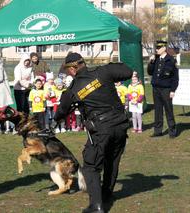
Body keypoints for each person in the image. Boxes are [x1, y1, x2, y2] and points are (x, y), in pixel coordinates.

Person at [54, 53, 133, 213]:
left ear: (73, 68)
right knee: (112, 161)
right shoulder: (103, 72)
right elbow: (127, 71)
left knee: (90, 166)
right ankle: (106, 194)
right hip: (120, 124)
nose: (68, 73)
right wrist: (112, 66)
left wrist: (57, 117)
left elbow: (61, 111)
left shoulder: (74, 89)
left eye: (68, 70)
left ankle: (96, 206)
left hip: (101, 129)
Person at [147, 40, 179, 138]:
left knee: (168, 110)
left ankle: (172, 131)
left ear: (164, 48)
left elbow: (175, 78)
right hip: (156, 88)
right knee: (158, 110)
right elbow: (150, 72)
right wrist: (151, 62)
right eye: (156, 48)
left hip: (166, 89)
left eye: (158, 48)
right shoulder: (155, 59)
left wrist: (173, 90)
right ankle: (158, 131)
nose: (156, 49)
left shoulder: (171, 60)